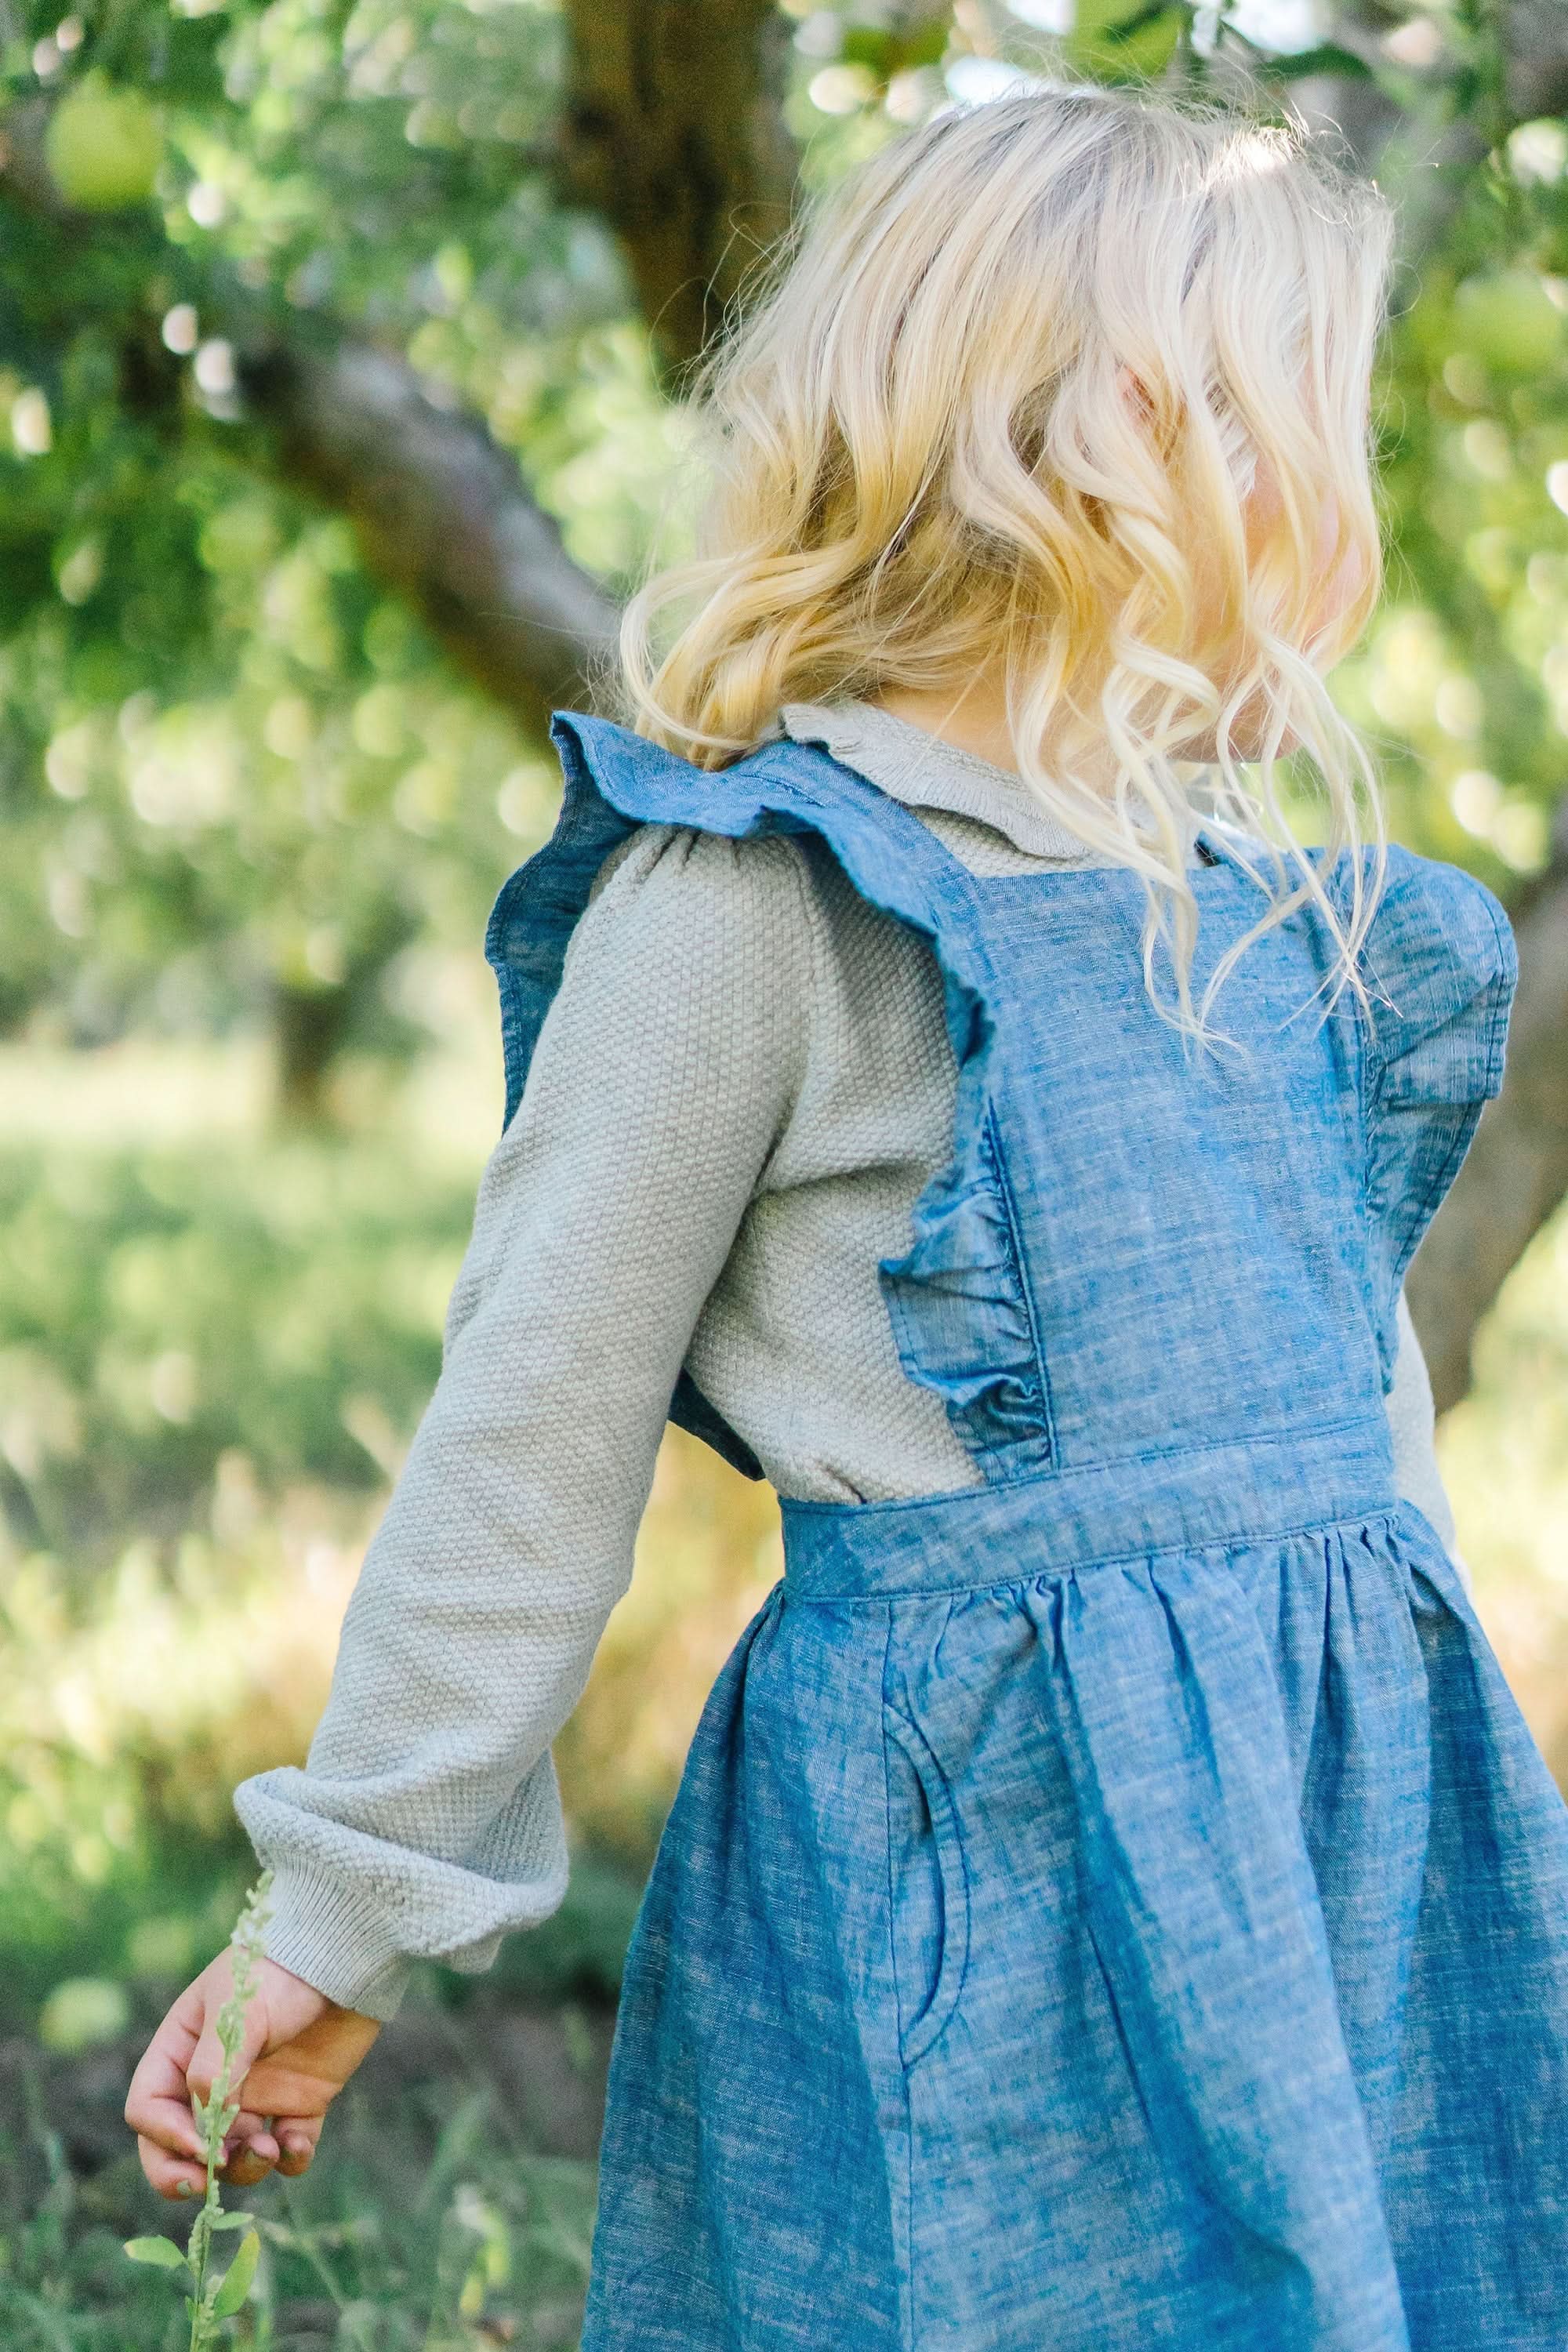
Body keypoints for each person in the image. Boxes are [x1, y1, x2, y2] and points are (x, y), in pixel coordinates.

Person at [125, 87, 1568, 2350]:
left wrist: (1414, 1772)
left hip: (1331, 1837)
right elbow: (532, 1435)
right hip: (977, 1851)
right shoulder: (758, 906)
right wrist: (343, 1913)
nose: (1330, 490)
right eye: (1295, 418)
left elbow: (1354, 1421)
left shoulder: (1260, 922)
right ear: (1105, 445)